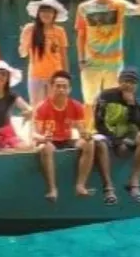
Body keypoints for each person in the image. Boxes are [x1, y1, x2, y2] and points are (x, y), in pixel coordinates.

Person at [74, 0, 140, 124]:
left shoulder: (119, 5)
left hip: (114, 63)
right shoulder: (84, 8)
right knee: (89, 100)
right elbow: (81, 35)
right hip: (90, 62)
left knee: (112, 99)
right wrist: (80, 59)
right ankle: (89, 131)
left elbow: (139, 11)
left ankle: (109, 131)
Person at [92, 67, 140, 205]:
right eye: (126, 81)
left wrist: (131, 105)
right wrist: (116, 140)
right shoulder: (106, 96)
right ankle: (108, 188)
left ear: (137, 86)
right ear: (119, 82)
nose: (129, 85)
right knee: (99, 142)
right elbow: (98, 123)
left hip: (125, 140)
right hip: (107, 136)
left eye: (132, 82)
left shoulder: (138, 103)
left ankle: (134, 182)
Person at [32, 70, 94, 200]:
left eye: (64, 86)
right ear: (51, 87)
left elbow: (81, 129)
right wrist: (43, 138)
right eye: (58, 86)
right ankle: (52, 189)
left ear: (70, 89)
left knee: (89, 143)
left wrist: (86, 134)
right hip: (49, 141)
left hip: (67, 139)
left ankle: (80, 185)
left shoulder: (76, 106)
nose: (61, 89)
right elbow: (34, 134)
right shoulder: (42, 107)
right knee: (46, 147)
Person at [18, 0, 69, 106]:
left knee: (55, 106)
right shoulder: (30, 29)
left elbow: (64, 56)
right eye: (43, 11)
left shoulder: (60, 31)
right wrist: (24, 38)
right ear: (38, 13)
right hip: (36, 75)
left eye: (49, 11)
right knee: (37, 108)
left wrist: (66, 77)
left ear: (54, 14)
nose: (46, 14)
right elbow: (23, 54)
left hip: (55, 76)